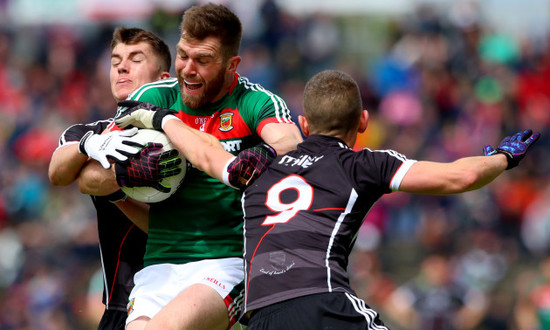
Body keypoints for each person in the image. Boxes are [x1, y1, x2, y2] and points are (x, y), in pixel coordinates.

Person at [237, 69, 539, 329]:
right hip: (322, 300)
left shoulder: (260, 169)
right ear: (363, 121)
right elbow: (462, 176)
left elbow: (206, 155)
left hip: (261, 314)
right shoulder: (361, 165)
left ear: (304, 123)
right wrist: (503, 157)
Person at [82, 3, 303, 329]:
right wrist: (123, 173)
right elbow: (88, 178)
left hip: (226, 264)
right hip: (159, 265)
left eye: (203, 60)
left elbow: (291, 142)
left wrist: (264, 155)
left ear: (232, 64)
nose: (187, 69)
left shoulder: (254, 102)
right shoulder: (152, 97)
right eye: (184, 55)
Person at [48, 27, 173, 329]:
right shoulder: (94, 131)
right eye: (115, 59)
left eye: (136, 58)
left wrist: (113, 187)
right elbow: (57, 172)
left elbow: (168, 231)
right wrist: (87, 145)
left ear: (163, 78)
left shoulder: (187, 134)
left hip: (185, 293)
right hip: (122, 304)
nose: (121, 66)